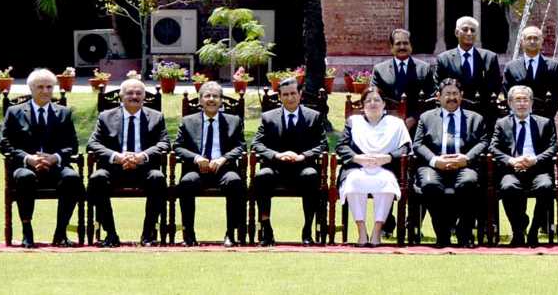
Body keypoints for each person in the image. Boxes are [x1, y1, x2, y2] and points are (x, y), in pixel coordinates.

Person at [0, 67, 83, 247]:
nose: (45, 91)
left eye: (49, 87)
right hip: (26, 166)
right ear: (31, 89)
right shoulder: (14, 112)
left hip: (56, 166)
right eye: (40, 87)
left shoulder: (64, 113)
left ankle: (61, 232)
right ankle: (27, 230)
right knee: (25, 177)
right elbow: (5, 144)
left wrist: (55, 157)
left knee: (73, 178)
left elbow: (72, 145)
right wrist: (29, 158)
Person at [85, 77, 170, 247]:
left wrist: (142, 156)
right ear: (121, 96)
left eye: (139, 93)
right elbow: (93, 143)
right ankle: (110, 234)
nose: (134, 96)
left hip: (144, 168)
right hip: (114, 168)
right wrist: (117, 156)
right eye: (130, 93)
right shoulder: (105, 117)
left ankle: (148, 235)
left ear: (144, 97)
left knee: (158, 178)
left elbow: (164, 143)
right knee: (97, 179)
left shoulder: (156, 117)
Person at [251, 74, 330, 245]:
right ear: (279, 97)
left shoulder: (314, 116)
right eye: (285, 94)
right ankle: (266, 229)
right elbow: (256, 144)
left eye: (293, 93)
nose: (290, 97)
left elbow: (323, 145)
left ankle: (307, 230)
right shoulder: (268, 117)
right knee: (262, 176)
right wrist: (276, 155)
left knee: (311, 176)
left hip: (303, 167)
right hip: (275, 167)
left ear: (300, 94)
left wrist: (303, 156)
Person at [411, 76, 487, 247]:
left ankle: (463, 231)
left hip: (464, 165)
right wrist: (434, 160)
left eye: (455, 93)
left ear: (461, 95)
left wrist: (466, 158)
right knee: (430, 185)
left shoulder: (475, 118)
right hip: (434, 166)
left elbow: (483, 142)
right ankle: (442, 233)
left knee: (469, 182)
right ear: (438, 96)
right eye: (447, 94)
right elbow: (417, 144)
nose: (451, 97)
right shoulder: (426, 117)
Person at [175, 80, 247, 246]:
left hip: (224, 169)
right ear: (200, 100)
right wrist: (196, 158)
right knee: (186, 183)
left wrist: (223, 158)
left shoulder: (233, 120)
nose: (211, 99)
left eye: (215, 96)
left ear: (221, 100)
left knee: (235, 181)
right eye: (207, 96)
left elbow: (241, 146)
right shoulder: (188, 121)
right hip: (197, 168)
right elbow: (177, 147)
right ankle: (189, 234)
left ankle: (230, 233)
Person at [337, 85, 410, 246]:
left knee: (387, 183)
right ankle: (361, 231)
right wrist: (357, 158)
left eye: (377, 100)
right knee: (353, 182)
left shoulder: (396, 124)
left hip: (385, 168)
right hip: (358, 168)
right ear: (362, 105)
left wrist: (388, 157)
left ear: (384, 104)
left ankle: (377, 231)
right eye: (368, 100)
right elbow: (341, 146)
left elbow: (406, 148)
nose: (373, 103)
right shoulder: (353, 122)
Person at [491, 84, 556, 246]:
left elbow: (553, 147)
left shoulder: (545, 123)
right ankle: (518, 230)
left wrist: (535, 159)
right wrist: (511, 160)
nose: (521, 104)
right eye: (517, 100)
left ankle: (534, 230)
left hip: (537, 169)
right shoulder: (501, 123)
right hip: (512, 170)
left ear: (531, 102)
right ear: (510, 103)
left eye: (525, 100)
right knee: (508, 187)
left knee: (546, 186)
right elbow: (493, 147)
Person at [433, 15, 504, 120]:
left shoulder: (489, 57)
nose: (469, 33)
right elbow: (438, 87)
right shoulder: (444, 59)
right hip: (454, 113)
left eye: (473, 30)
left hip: (483, 115)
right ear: (457, 33)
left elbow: (497, 87)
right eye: (465, 29)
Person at [371, 28, 429, 128]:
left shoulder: (424, 68)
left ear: (411, 46)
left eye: (405, 43)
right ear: (391, 47)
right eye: (398, 43)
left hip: (418, 125)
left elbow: (431, 99)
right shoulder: (379, 70)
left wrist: (414, 118)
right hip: (387, 123)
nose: (402, 47)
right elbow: (374, 98)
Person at [502, 25, 558, 118]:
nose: (532, 41)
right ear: (522, 42)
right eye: (529, 38)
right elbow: (508, 96)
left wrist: (545, 120)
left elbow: (555, 98)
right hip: (518, 119)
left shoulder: (553, 66)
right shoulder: (511, 67)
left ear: (541, 41)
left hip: (545, 120)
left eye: (536, 38)